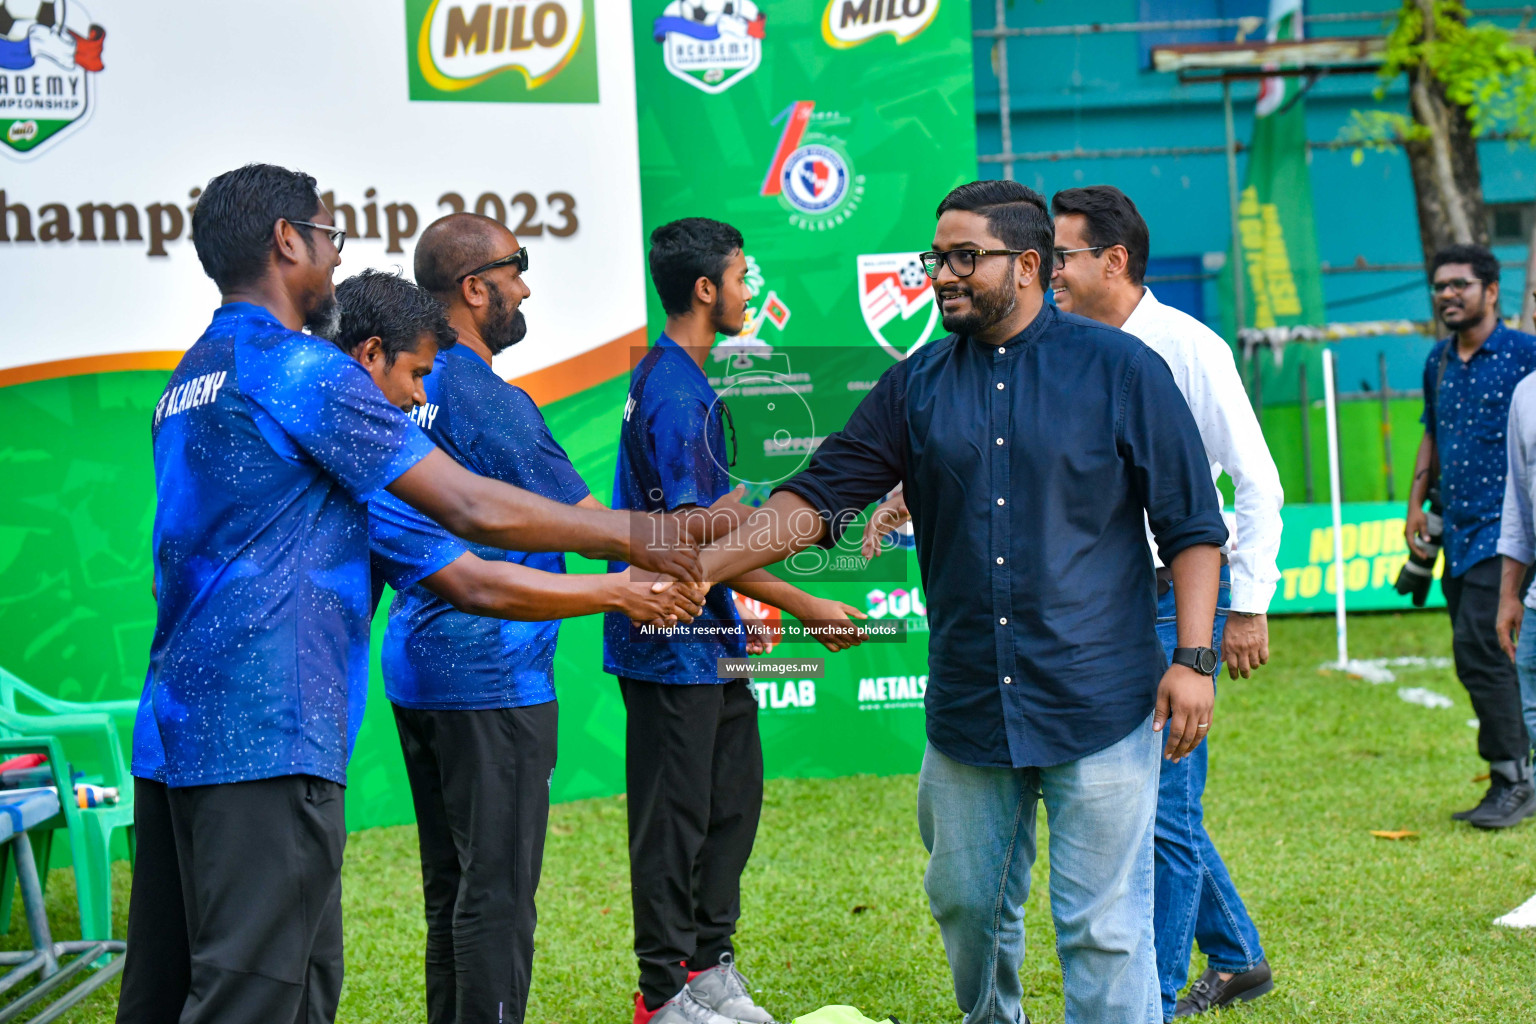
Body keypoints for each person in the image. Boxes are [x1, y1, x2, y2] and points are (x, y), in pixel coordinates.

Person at [121, 163, 700, 1024]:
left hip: (177, 739)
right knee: (258, 997)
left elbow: (453, 565)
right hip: (265, 736)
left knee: (212, 992)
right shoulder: (301, 372)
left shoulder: (194, 374)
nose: (417, 396)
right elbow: (470, 509)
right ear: (288, 240)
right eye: (329, 236)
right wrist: (643, 538)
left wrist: (614, 586)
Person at [691, 181, 1228, 1024]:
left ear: (1027, 264)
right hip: (973, 706)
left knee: (1104, 932)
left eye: (963, 257)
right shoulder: (917, 385)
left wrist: (1193, 660)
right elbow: (818, 495)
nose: (942, 274)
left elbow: (1195, 526)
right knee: (969, 911)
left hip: (1103, 698)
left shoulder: (1123, 369)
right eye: (936, 258)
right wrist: (703, 570)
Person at [609, 217, 867, 1024]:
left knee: (730, 806)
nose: (752, 292)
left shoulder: (681, 377)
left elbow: (711, 541)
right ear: (705, 289)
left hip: (709, 639)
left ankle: (711, 967)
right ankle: (664, 994)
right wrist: (807, 601)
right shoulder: (676, 393)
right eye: (745, 277)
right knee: (674, 822)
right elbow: (694, 544)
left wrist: (735, 538)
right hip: (665, 642)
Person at [1047, 185, 1283, 1020]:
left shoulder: (1191, 349)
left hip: (1168, 602)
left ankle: (1150, 995)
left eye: (1063, 257)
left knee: (1164, 807)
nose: (1050, 274)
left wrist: (1244, 606)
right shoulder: (1061, 345)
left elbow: (1256, 483)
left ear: (1113, 261)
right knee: (1136, 797)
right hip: (1090, 607)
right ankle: (1239, 955)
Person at [1408, 243, 1536, 830]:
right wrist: (1416, 503)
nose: (1447, 295)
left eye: (1460, 284)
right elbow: (1432, 434)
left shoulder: (1524, 356)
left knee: (1482, 649)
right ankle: (1513, 774)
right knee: (1478, 653)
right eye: (1439, 286)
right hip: (1457, 531)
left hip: (1506, 531)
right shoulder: (1437, 361)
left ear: (1492, 291)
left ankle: (1515, 779)